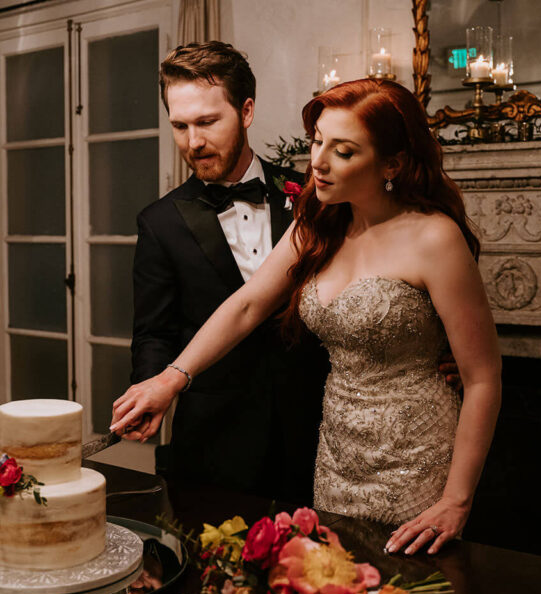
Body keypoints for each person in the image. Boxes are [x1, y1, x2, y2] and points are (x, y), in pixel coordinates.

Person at [113, 78, 500, 555]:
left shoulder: (434, 238)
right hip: (335, 450)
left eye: (342, 151)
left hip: (414, 454)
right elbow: (248, 304)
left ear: (392, 164)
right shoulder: (318, 219)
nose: (317, 161)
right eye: (317, 140)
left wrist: (456, 502)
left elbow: (483, 377)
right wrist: (170, 380)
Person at [127, 41, 328, 504]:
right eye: (179, 126)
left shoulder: (310, 196)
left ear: (247, 110)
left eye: (207, 122)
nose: (193, 142)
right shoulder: (159, 223)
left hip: (313, 423)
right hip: (216, 435)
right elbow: (154, 331)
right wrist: (149, 388)